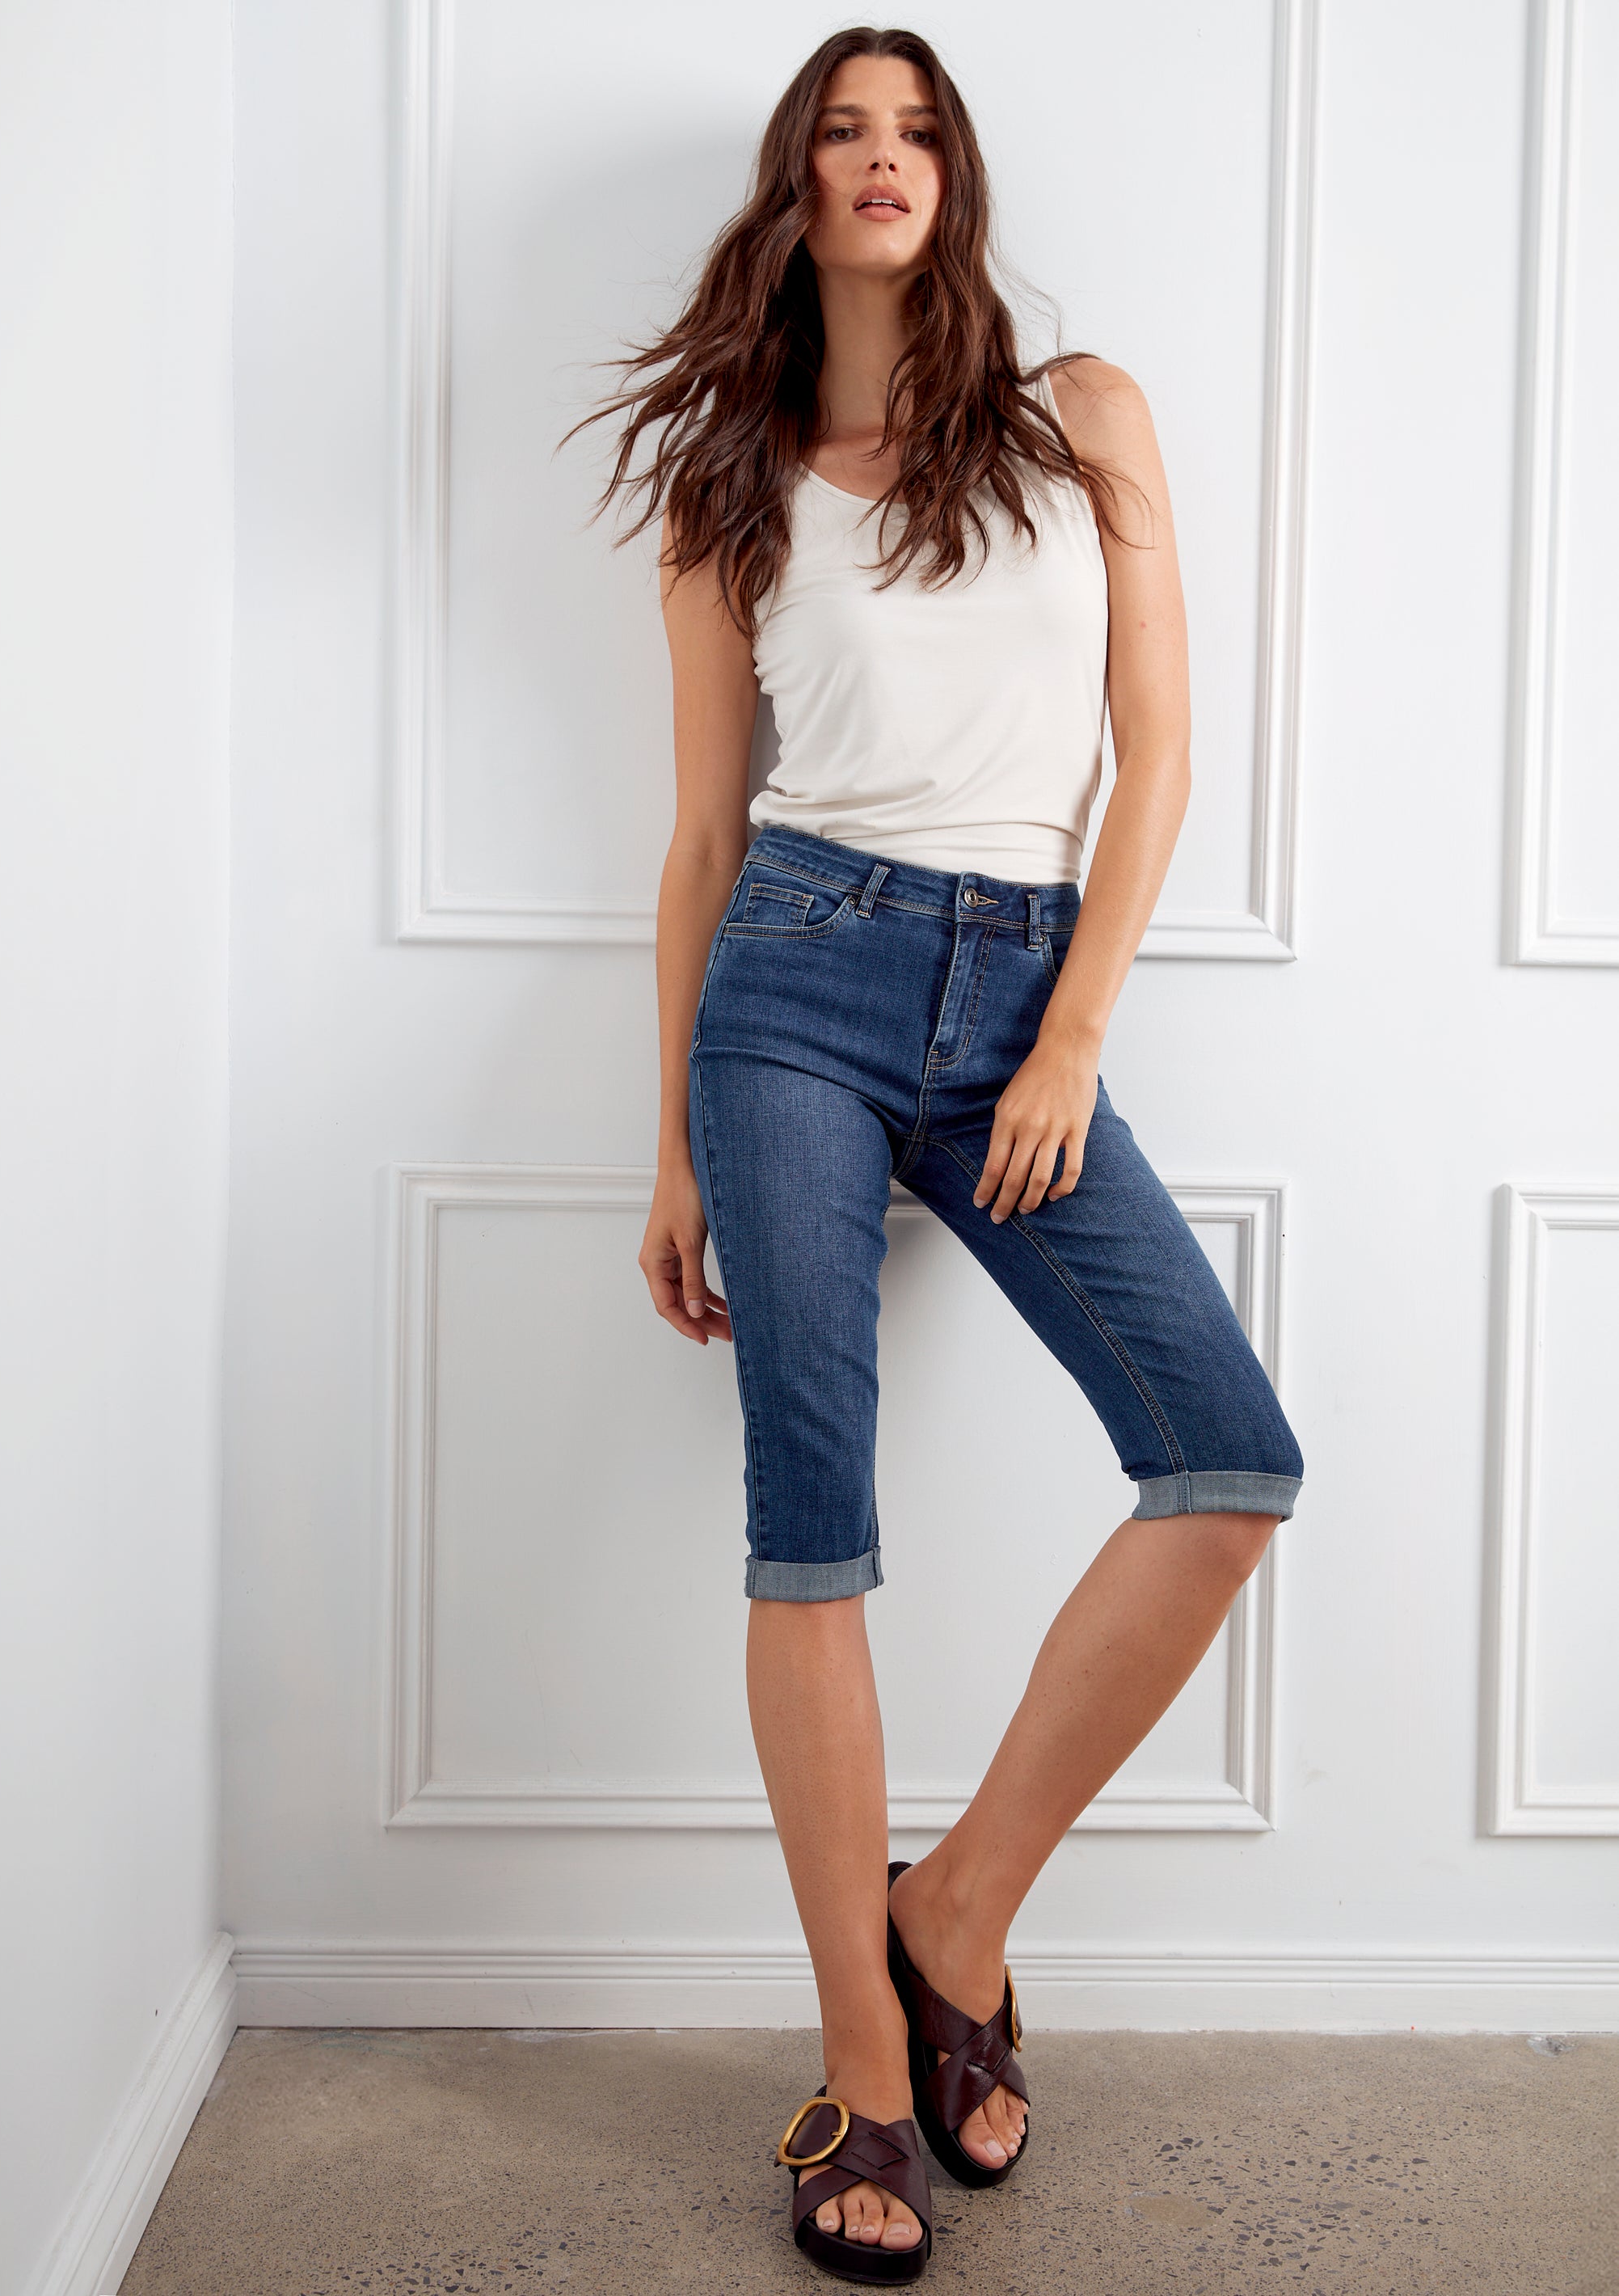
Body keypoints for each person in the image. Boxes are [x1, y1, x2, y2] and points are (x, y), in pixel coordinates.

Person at [570, 24, 1305, 2285]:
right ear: (793, 188)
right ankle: (862, 2081)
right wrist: (674, 1137)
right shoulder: (733, 473)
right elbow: (702, 834)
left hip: (1020, 1003)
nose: (878, 164)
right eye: (839, 135)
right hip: (790, 981)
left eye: (914, 133)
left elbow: (1159, 756)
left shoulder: (1088, 419)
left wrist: (1069, 1032)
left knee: (1225, 1460)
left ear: (952, 180)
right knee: (812, 1530)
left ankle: (953, 1911)